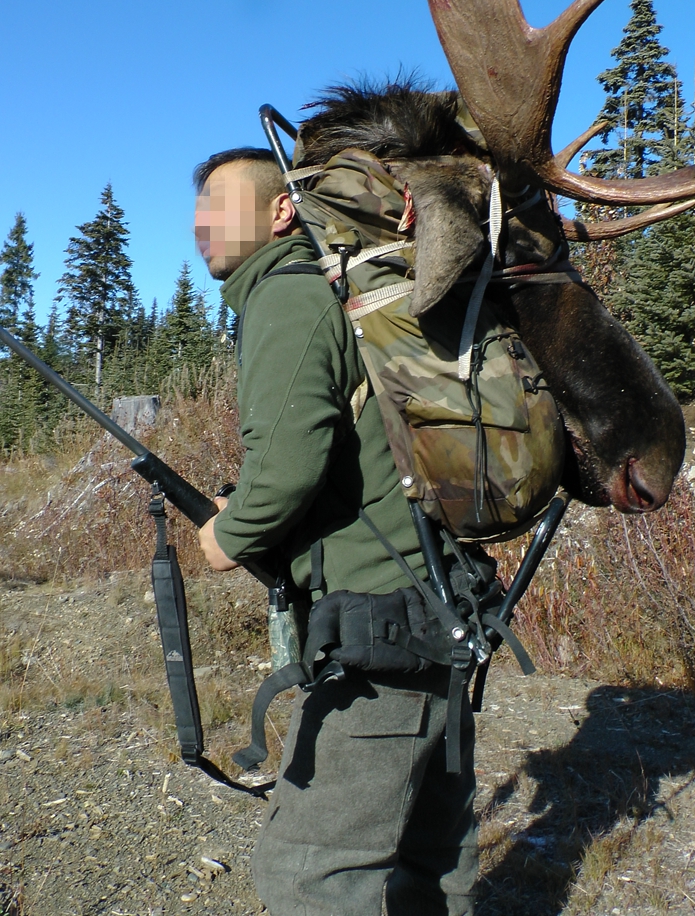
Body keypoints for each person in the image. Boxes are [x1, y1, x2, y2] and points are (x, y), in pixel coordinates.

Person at [194, 146, 479, 916]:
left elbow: (286, 465)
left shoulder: (286, 297)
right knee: (430, 860)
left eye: (219, 206)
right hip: (441, 603)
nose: (201, 224)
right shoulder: (325, 289)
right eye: (197, 212)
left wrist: (228, 536)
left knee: (309, 874)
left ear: (281, 211)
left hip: (380, 617)